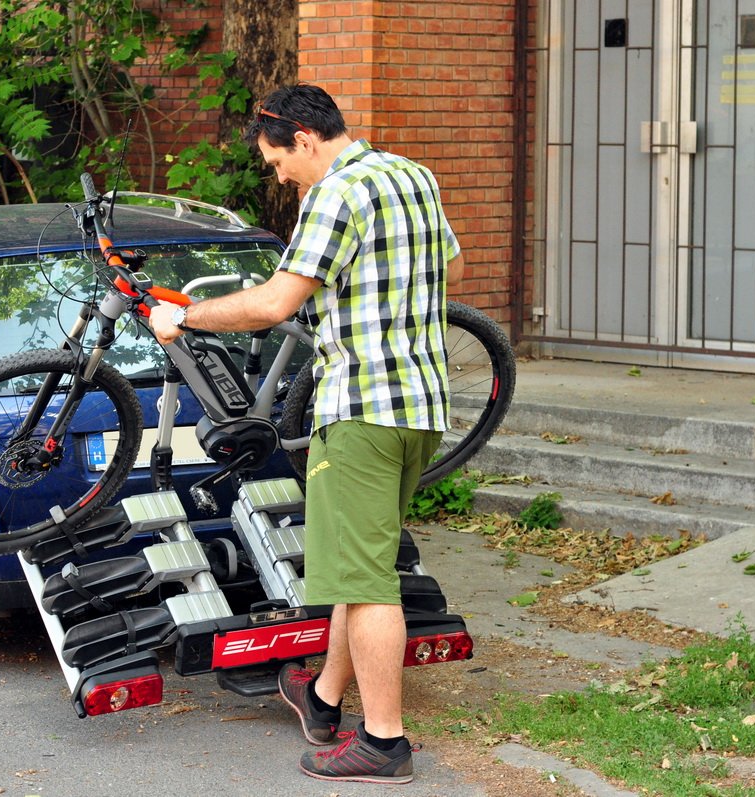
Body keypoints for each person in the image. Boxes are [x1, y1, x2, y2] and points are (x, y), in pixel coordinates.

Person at [148, 83, 461, 785]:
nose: (280, 175)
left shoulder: (335, 195)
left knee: (370, 580)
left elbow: (275, 301)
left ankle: (383, 741)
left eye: (278, 161)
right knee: (360, 562)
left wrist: (186, 318)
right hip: (422, 405)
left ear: (305, 139)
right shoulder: (413, 175)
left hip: (360, 409)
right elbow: (451, 266)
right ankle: (320, 694)